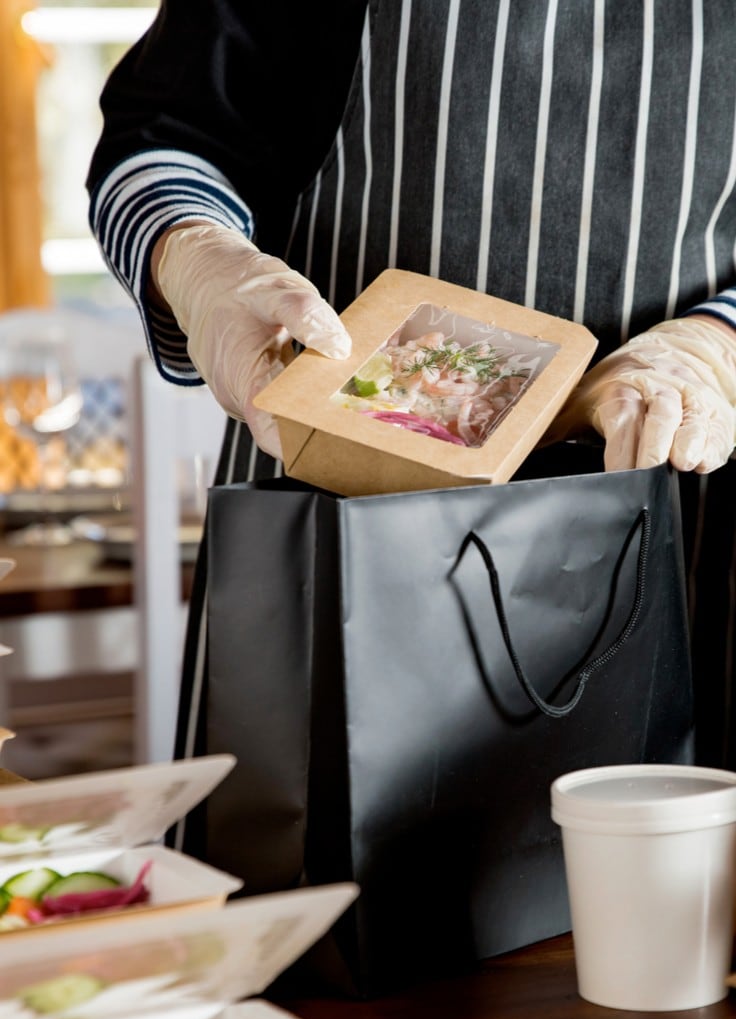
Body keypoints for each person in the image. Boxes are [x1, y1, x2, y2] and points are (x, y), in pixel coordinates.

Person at [87, 0, 736, 844]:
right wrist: (200, 260)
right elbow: (164, 135)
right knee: (297, 927)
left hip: (692, 515)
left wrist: (714, 344)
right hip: (330, 504)